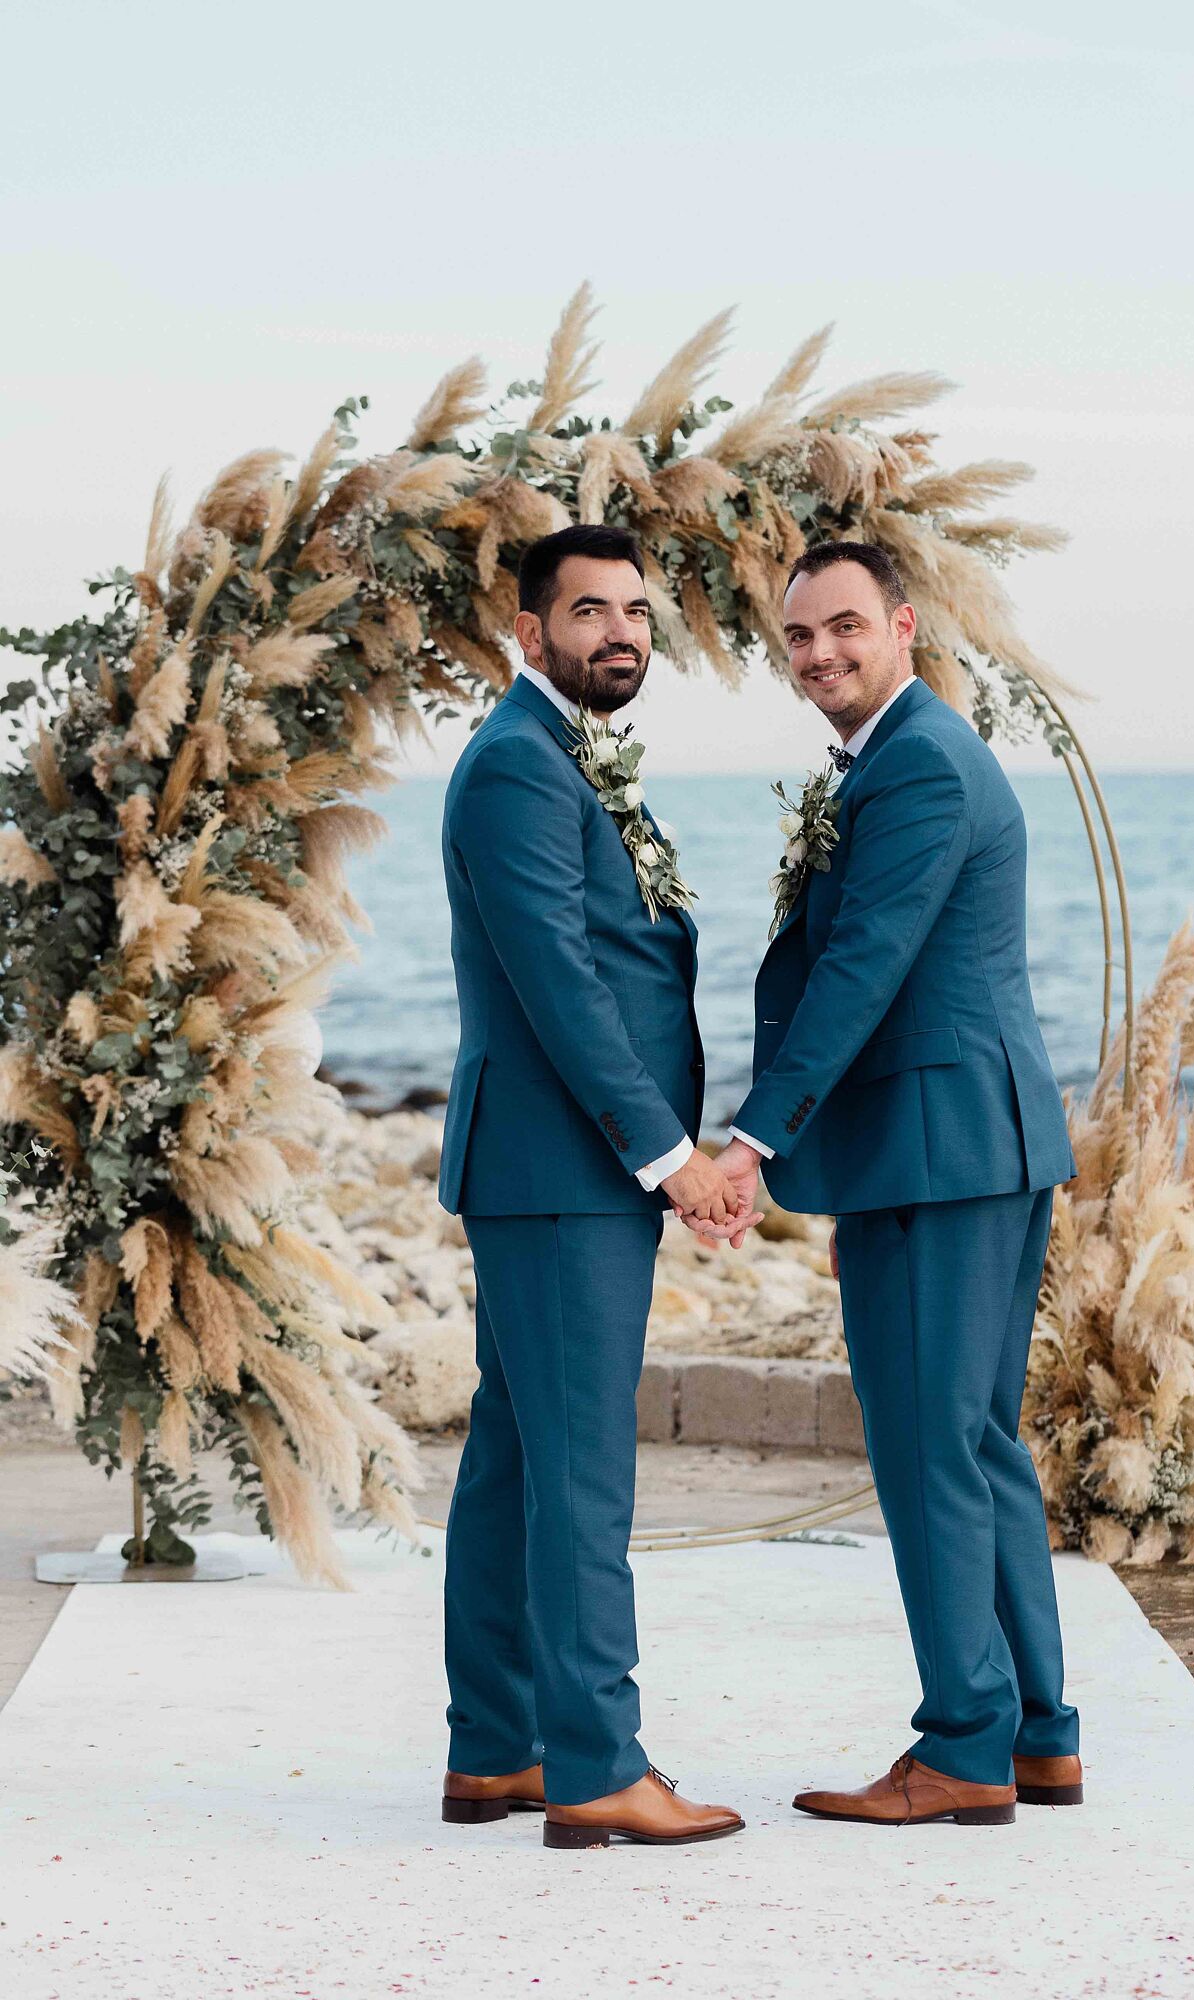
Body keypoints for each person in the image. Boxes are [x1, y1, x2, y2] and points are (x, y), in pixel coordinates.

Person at [697, 540, 1083, 1828]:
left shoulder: (917, 765)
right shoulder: (907, 756)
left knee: (929, 1453)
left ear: (905, 626)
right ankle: (1040, 1732)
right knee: (979, 1445)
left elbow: (862, 966)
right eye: (800, 638)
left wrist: (754, 1139)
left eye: (845, 628)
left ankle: (965, 1747)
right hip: (977, 1140)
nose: (822, 656)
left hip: (936, 1151)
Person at [436, 524, 747, 1849]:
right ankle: (596, 1764)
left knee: (517, 1455)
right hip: (563, 1173)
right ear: (528, 632)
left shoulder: (562, 758)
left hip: (550, 1173)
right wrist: (669, 1156)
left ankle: (496, 1749)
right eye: (585, 611)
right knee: (580, 1473)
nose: (617, 629)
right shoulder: (517, 767)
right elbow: (558, 984)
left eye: (632, 608)